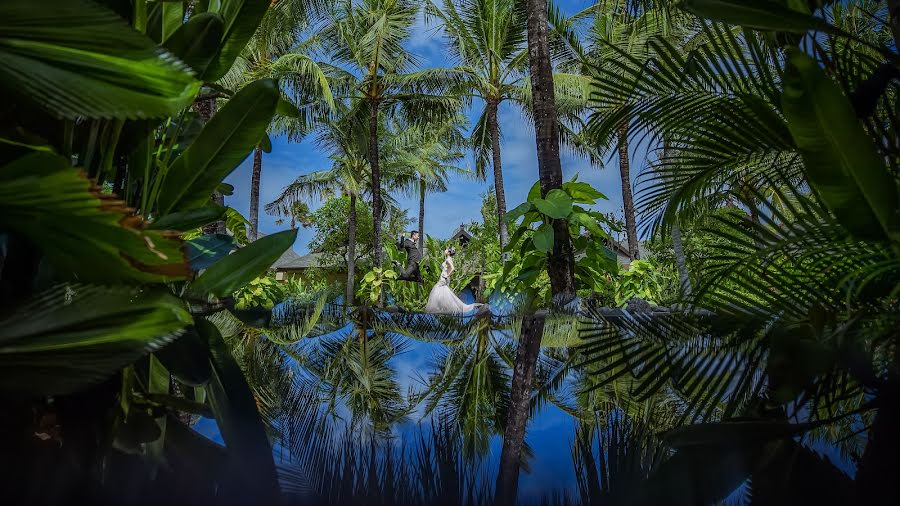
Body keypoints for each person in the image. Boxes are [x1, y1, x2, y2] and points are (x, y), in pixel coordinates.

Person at [425, 247, 485, 314]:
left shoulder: (448, 259)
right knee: (443, 291)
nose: (445, 251)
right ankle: (443, 307)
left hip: (444, 277)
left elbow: (453, 268)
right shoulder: (449, 259)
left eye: (446, 250)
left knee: (438, 290)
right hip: (444, 277)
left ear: (449, 252)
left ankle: (440, 307)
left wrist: (447, 275)